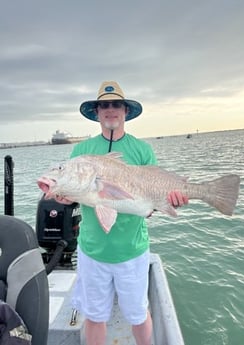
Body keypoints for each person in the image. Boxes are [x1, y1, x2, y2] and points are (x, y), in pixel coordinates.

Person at [70, 81, 188, 345]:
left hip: (132, 251)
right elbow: (72, 194)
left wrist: (168, 201)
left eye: (116, 105)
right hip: (92, 251)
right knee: (94, 316)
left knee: (137, 315)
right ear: (96, 113)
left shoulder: (142, 150)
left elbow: (150, 205)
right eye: (104, 105)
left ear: (125, 111)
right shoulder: (81, 152)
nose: (110, 110)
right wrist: (60, 193)